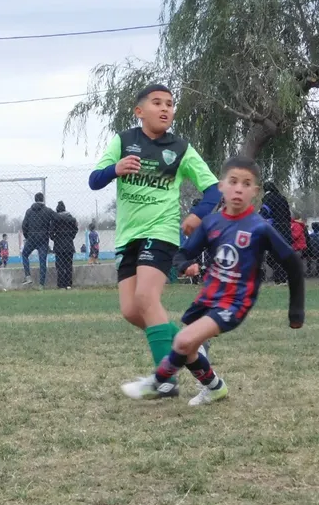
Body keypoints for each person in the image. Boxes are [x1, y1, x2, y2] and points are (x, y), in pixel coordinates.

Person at [121, 155, 304, 404]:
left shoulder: (260, 227)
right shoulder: (212, 223)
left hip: (235, 302)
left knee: (183, 340)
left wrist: (296, 311)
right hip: (209, 297)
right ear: (221, 186)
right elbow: (184, 253)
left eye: (246, 183)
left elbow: (292, 262)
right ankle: (214, 387)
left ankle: (157, 382)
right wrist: (185, 264)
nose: (239, 188)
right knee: (190, 350)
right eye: (233, 181)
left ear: (255, 191)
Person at [88, 83, 220, 377]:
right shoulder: (123, 142)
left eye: (170, 104)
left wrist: (197, 215)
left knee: (147, 299)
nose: (165, 109)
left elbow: (213, 190)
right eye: (157, 103)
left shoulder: (180, 149)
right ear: (139, 111)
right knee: (132, 311)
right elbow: (94, 181)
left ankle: (165, 379)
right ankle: (192, 346)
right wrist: (115, 169)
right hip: (127, 237)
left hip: (160, 232)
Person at [262, 181, 293, 284]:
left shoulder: (268, 198)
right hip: (286, 229)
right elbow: (288, 215)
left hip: (275, 229)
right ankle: (283, 278)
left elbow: (265, 212)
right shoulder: (283, 198)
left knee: (272, 256)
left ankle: (278, 278)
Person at [21, 193, 54, 288]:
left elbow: (24, 226)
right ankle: (41, 284)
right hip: (43, 239)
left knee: (24, 254)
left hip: (31, 238)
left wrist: (27, 236)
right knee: (42, 261)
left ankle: (28, 276)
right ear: (43, 199)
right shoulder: (47, 211)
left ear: (35, 200)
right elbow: (56, 218)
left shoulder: (29, 211)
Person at [51, 200, 79, 290]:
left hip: (58, 245)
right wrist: (71, 237)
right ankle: (68, 284)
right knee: (68, 265)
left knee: (60, 265)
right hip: (69, 244)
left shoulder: (55, 220)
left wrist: (55, 239)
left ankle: (61, 284)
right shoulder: (71, 219)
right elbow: (75, 229)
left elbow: (51, 233)